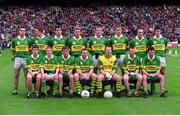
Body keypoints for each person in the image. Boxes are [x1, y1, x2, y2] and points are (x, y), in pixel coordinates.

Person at [10, 27, 32, 95]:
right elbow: (12, 49)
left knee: (26, 75)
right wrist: (14, 56)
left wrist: (28, 57)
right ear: (19, 32)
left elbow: (30, 50)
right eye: (21, 31)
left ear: (25, 32)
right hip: (17, 59)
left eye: (24, 31)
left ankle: (28, 90)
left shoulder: (28, 40)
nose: (22, 32)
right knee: (16, 75)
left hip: (25, 59)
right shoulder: (15, 40)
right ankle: (15, 89)